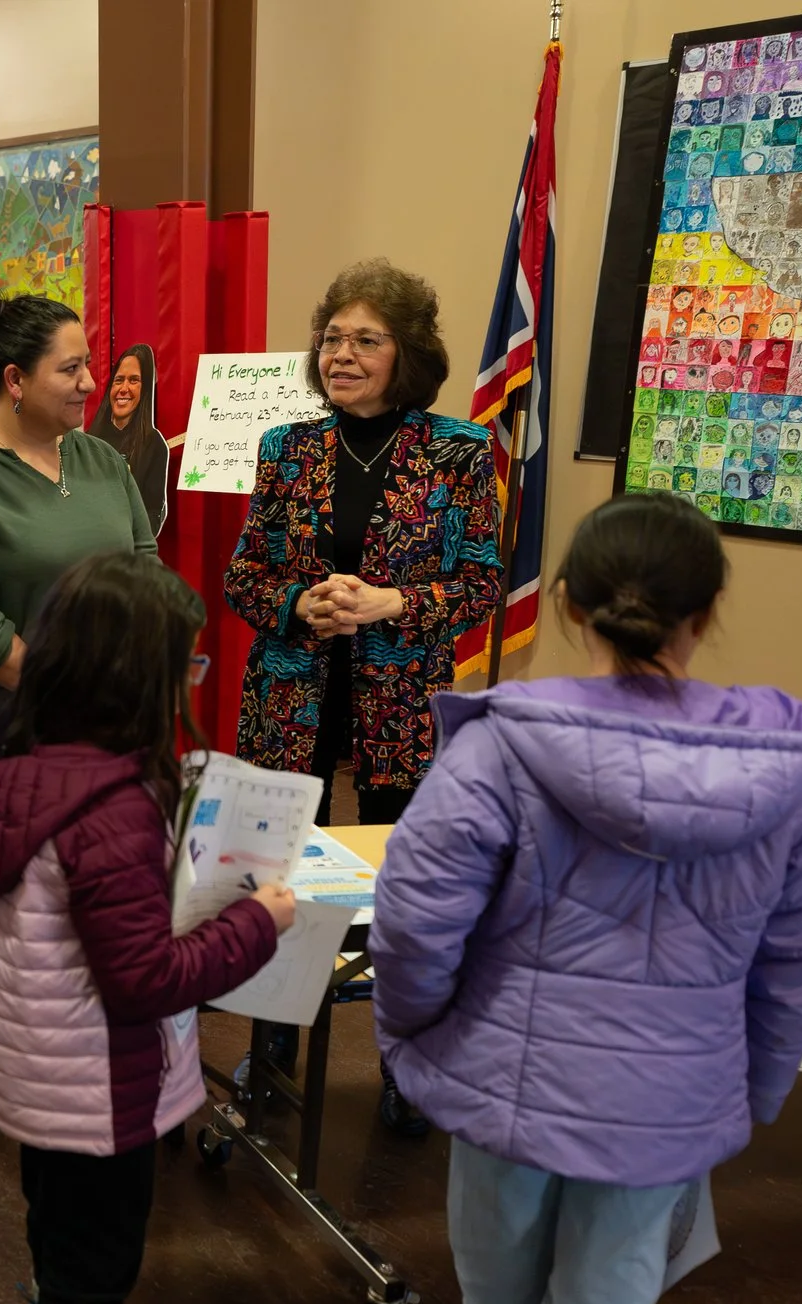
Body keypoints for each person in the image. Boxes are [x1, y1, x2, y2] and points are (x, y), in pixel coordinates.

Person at [369, 494, 802, 1304]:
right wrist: (750, 1088)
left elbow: (414, 918)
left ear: (574, 607)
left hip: (506, 1083)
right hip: (669, 1105)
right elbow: (800, 956)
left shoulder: (502, 746)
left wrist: (417, 1034)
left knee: (507, 1294)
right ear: (709, 609)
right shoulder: (785, 773)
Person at [0, 555, 289, 1304]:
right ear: (136, 679)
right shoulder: (114, 812)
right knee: (102, 1241)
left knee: (62, 1221)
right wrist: (259, 921)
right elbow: (143, 980)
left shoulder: (24, 768)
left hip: (36, 1068)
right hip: (94, 1081)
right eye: (188, 666)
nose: (194, 683)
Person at [222, 258, 501, 1134]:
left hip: (401, 703)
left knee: (406, 892)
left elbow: (482, 583)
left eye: (365, 340)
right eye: (332, 337)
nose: (341, 354)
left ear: (406, 354)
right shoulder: (287, 448)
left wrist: (395, 603)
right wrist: (298, 603)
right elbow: (244, 574)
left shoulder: (458, 452)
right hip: (290, 696)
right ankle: (270, 1040)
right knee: (277, 880)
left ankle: (403, 1058)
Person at [0, 295, 187, 1098]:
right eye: (70, 368)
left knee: (64, 891)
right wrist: (72, 694)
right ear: (13, 380)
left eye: (88, 364)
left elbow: (143, 566)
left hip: (99, 729)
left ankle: (39, 1040)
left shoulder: (98, 461)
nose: (90, 383)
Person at [85, 343, 169, 534]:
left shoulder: (154, 444)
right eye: (119, 380)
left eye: (133, 380)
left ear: (145, 389)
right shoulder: (89, 440)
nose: (123, 388)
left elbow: (153, 516)